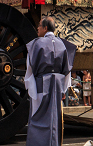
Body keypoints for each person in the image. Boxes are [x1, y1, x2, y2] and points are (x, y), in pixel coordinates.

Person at [24, 16, 76, 146]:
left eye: (39, 26)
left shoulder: (37, 43)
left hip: (42, 83)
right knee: (54, 118)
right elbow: (67, 70)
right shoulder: (63, 44)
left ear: (45, 28)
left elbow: (30, 67)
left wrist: (30, 86)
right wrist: (64, 89)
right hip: (57, 84)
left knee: (38, 117)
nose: (37, 28)